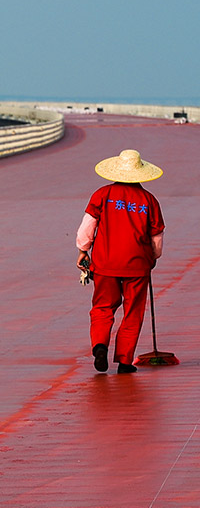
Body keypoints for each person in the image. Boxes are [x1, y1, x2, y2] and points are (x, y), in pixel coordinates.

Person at [76, 149, 165, 374]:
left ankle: (99, 346)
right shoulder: (149, 200)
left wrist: (83, 251)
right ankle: (125, 361)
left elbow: (88, 228)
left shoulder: (102, 195)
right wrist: (153, 258)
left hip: (105, 263)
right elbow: (156, 238)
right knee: (133, 311)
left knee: (102, 307)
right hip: (137, 265)